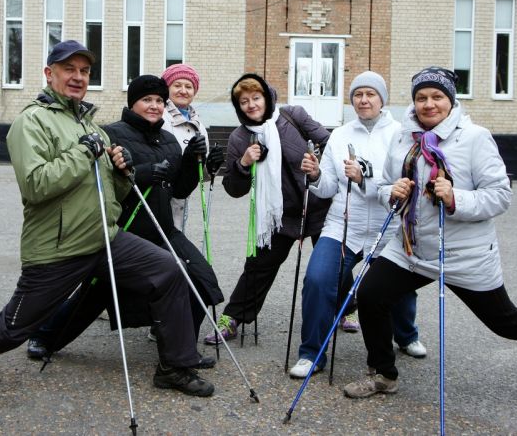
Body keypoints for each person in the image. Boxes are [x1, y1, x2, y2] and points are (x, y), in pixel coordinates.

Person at [0, 40, 214, 397]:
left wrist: (123, 171)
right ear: (50, 74)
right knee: (12, 328)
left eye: (84, 71)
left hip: (104, 238)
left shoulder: (90, 125)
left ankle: (175, 366)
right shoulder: (31, 122)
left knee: (169, 270)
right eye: (69, 70)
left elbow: (111, 191)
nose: (78, 77)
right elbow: (36, 185)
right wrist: (84, 154)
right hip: (59, 246)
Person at [343, 67, 517, 401]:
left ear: (450, 100)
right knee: (371, 294)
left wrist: (455, 196)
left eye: (436, 97)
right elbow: (386, 184)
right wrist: (393, 191)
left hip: (464, 254)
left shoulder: (474, 138)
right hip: (412, 248)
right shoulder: (403, 136)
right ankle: (384, 374)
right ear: (413, 103)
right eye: (421, 98)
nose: (429, 104)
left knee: (505, 321)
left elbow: (500, 196)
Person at [26, 74, 224, 361]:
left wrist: (197, 163)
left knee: (200, 281)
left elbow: (180, 188)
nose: (154, 105)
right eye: (147, 100)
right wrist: (142, 173)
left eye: (158, 100)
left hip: (163, 229)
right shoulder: (112, 134)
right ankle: (44, 336)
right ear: (133, 103)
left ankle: (181, 352)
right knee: (95, 294)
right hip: (125, 231)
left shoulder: (169, 140)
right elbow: (100, 181)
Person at [288, 72, 425, 379]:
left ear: (382, 99)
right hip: (343, 224)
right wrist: (313, 175)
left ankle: (406, 336)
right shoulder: (339, 135)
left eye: (370, 94)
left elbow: (404, 186)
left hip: (386, 227)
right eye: (358, 95)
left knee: (397, 288)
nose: (364, 100)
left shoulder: (401, 134)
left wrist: (365, 179)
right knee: (318, 280)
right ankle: (312, 353)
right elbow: (327, 188)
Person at [203, 73, 331, 345]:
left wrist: (318, 160)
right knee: (258, 267)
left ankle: (349, 307)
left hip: (317, 207)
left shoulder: (292, 116)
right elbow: (234, 188)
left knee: (330, 264)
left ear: (267, 97)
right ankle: (232, 318)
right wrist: (243, 164)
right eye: (244, 101)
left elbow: (329, 141)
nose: (251, 105)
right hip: (278, 217)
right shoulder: (240, 138)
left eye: (256, 97)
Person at [160, 63, 225, 231]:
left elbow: (200, 176)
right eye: (177, 85)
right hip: (159, 198)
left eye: (189, 86)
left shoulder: (198, 126)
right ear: (167, 88)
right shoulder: (159, 116)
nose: (183, 90)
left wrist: (211, 167)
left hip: (181, 204)